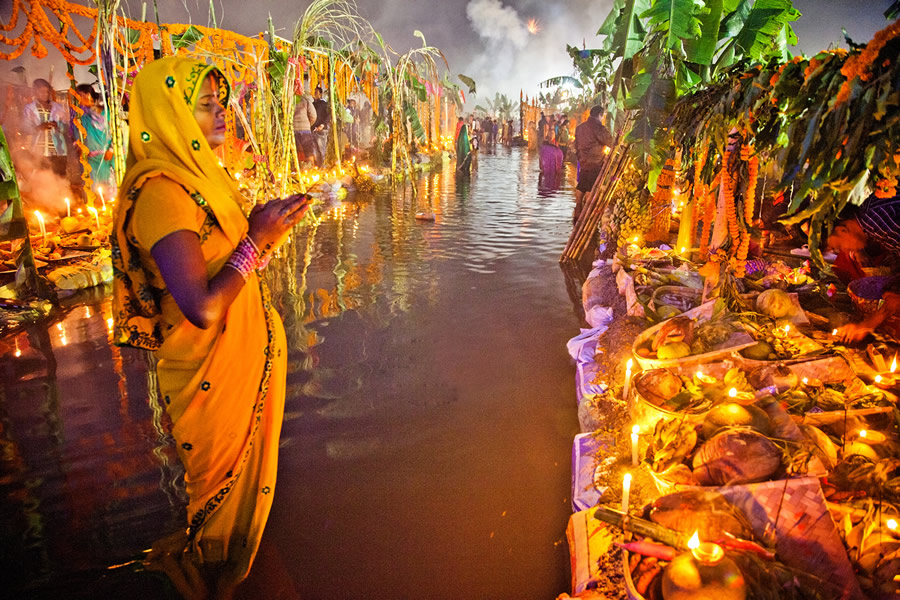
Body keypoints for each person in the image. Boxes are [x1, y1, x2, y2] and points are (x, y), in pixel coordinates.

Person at [111, 57, 310, 598]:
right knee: (217, 512)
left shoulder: (201, 179)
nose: (222, 112)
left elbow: (224, 263)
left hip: (234, 365)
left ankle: (236, 577)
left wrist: (263, 235)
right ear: (171, 115)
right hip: (206, 373)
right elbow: (201, 305)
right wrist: (255, 242)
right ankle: (219, 584)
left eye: (221, 102)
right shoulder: (161, 193)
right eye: (205, 105)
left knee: (241, 519)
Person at [826, 196, 900, 342]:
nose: (846, 251)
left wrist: (867, 324)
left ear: (842, 230)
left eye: (840, 247)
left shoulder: (875, 222)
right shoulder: (869, 215)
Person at [574, 105, 614, 222]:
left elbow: (576, 145)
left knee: (581, 185)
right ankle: (586, 215)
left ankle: (578, 208)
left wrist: (580, 157)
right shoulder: (598, 127)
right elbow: (610, 141)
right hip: (595, 162)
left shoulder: (580, 128)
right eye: (603, 116)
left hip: (583, 162)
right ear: (600, 115)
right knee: (591, 187)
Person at [23, 78, 69, 178]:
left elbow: (66, 128)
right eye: (41, 91)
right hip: (38, 152)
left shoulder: (58, 108)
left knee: (59, 179)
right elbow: (25, 128)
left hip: (58, 152)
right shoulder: (29, 108)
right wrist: (39, 127)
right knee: (40, 181)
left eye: (47, 91)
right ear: (35, 91)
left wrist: (58, 126)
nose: (45, 94)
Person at [75, 84, 116, 194]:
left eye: (80, 96)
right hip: (90, 158)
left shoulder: (105, 113)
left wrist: (111, 150)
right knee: (92, 188)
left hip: (105, 156)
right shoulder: (82, 117)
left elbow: (115, 132)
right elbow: (79, 137)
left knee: (107, 187)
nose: (78, 99)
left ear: (88, 95)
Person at [292, 75, 317, 165]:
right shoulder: (305, 100)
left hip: (293, 130)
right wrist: (307, 125)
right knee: (308, 151)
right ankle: (311, 170)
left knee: (296, 152)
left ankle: (298, 170)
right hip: (305, 130)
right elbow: (313, 115)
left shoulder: (289, 100)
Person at [311, 85, 330, 167]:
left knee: (321, 149)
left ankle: (323, 167)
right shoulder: (312, 104)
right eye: (313, 92)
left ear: (320, 94)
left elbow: (329, 116)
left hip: (321, 130)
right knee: (314, 150)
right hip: (313, 130)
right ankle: (318, 167)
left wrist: (322, 125)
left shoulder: (324, 104)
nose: (314, 94)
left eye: (316, 93)